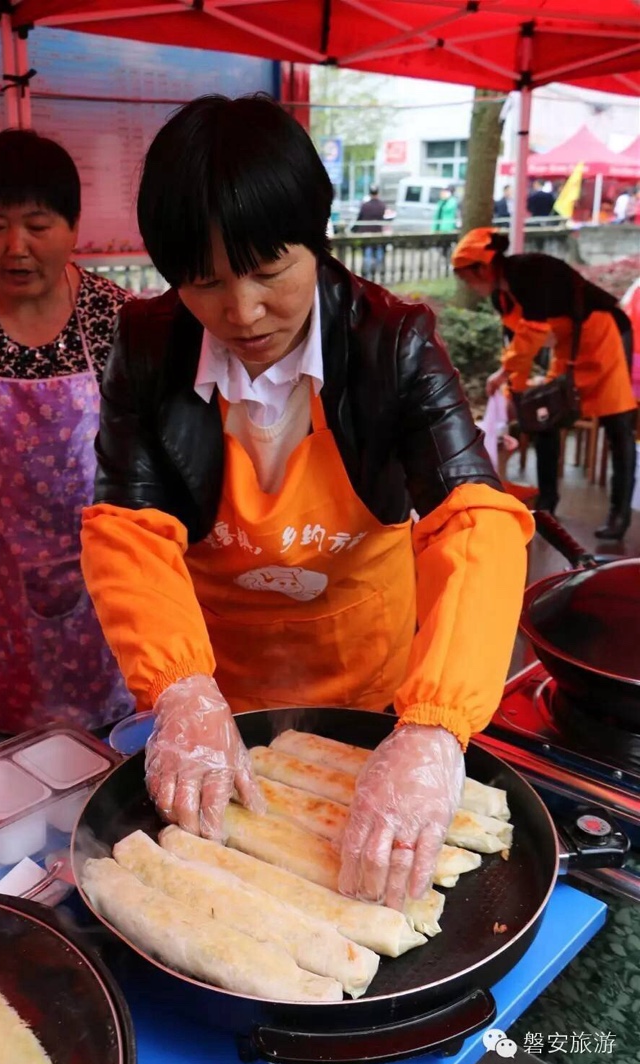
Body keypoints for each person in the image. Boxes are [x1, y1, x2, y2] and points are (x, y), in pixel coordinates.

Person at [80, 94, 533, 912]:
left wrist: (432, 727)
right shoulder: (147, 347)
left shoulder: (393, 342)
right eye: (204, 281)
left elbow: (476, 521)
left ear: (316, 241)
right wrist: (180, 688)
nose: (241, 311)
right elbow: (128, 532)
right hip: (223, 693)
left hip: (371, 690)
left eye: (268, 270)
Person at [0, 129, 135, 742]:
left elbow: (144, 440)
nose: (17, 247)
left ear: (73, 227)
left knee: (116, 742)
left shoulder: (114, 315)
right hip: (1, 581)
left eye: (38, 226)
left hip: (105, 574)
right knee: (15, 747)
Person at [452, 228, 637, 540]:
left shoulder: (528, 271)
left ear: (482, 267)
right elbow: (516, 342)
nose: (468, 286)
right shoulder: (502, 296)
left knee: (618, 426)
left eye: (466, 277)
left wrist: (504, 374)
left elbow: (532, 335)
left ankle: (619, 516)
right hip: (567, 348)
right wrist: (518, 393)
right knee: (543, 418)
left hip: (600, 338)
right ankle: (547, 505)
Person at [351, 184, 387, 278]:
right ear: (378, 193)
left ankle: (367, 274)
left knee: (367, 254)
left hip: (366, 234)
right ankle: (379, 273)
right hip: (378, 234)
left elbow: (359, 219)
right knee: (379, 253)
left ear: (370, 193)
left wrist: (353, 230)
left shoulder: (365, 206)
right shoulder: (382, 206)